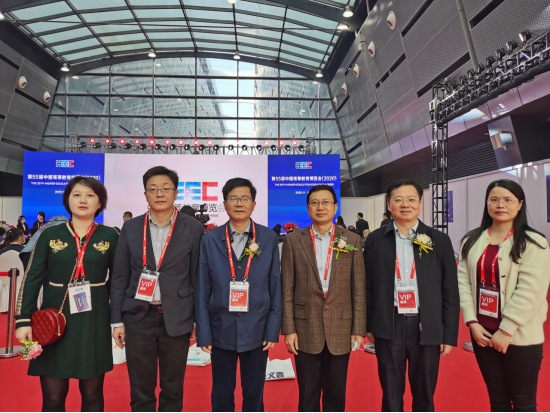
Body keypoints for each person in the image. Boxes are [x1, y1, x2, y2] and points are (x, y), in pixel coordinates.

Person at [15, 176, 118, 412]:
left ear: (100, 203)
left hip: (94, 319)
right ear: (67, 200)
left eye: (90, 195)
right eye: (76, 194)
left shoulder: (110, 236)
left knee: (92, 395)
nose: (83, 200)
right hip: (54, 317)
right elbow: (32, 278)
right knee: (53, 398)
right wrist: (23, 319)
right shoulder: (50, 234)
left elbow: (120, 277)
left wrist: (104, 297)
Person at [110, 166, 204, 412]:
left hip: (177, 316)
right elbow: (120, 277)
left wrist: (197, 318)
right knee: (140, 388)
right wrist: (117, 321)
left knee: (173, 389)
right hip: (138, 317)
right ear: (145, 194)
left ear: (175, 193)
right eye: (153, 189)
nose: (159, 194)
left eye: (165, 189)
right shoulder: (131, 228)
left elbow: (197, 276)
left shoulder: (193, 228)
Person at [364, 179, 459, 412]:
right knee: (390, 393)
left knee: (425, 392)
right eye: (398, 199)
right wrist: (368, 325)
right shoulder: (375, 239)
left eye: (410, 199)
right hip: (389, 324)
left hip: (426, 326)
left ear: (420, 202)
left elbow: (449, 289)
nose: (404, 204)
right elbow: (367, 285)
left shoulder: (439, 240)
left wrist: (448, 334)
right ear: (389, 204)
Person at [458, 179, 550, 412]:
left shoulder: (533, 243)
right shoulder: (472, 240)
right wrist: (472, 322)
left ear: (520, 204)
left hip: (518, 337)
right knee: (497, 400)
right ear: (487, 203)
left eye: (508, 200)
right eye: (494, 199)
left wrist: (506, 330)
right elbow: (463, 283)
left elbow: (531, 291)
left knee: (523, 403)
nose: (501, 205)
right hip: (483, 335)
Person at [196, 178, 282, 412]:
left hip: (257, 328)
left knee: (254, 392)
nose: (239, 203)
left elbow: (275, 286)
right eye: (233, 198)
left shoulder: (268, 237)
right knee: (221, 391)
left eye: (245, 198)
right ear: (224, 203)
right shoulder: (210, 239)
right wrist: (204, 332)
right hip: (220, 327)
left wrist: (272, 330)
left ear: (253, 203)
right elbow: (203, 288)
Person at [282, 184, 366, 412]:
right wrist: (289, 329)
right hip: (305, 327)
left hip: (341, 326)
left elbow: (358, 287)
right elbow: (287, 288)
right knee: (307, 395)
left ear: (335, 207)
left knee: (336, 394)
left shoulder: (352, 240)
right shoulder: (293, 240)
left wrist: (358, 328)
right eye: (315, 202)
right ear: (308, 208)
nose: (321, 207)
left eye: (326, 202)